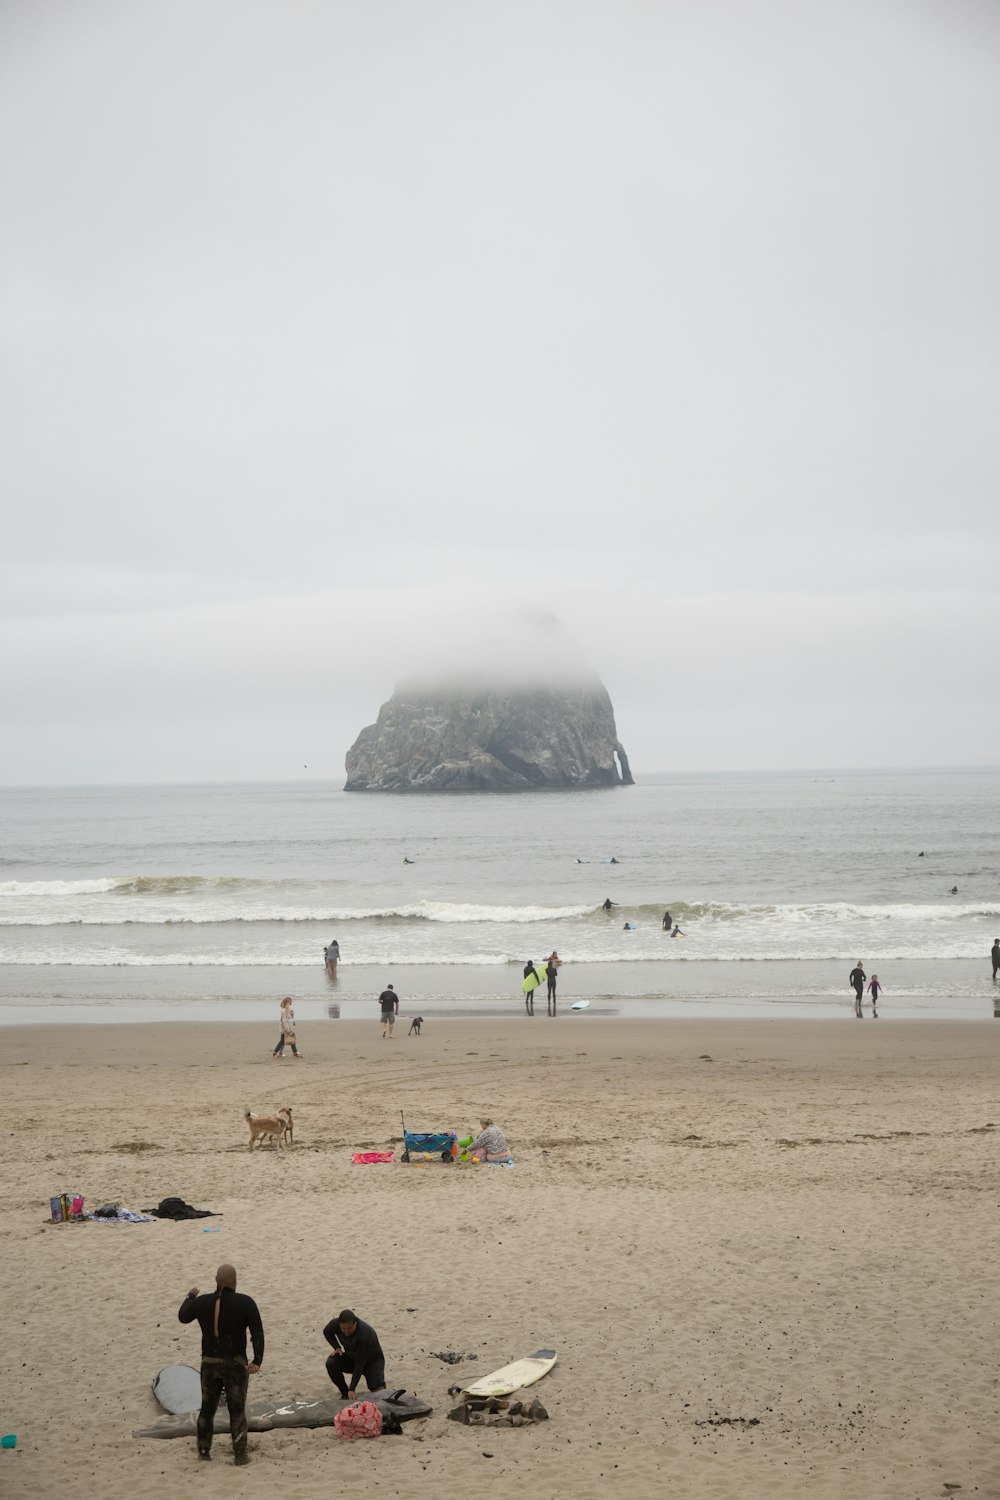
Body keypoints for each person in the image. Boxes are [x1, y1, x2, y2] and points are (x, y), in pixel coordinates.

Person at [178, 1263, 263, 1466]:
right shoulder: (246, 1302)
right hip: (235, 1364)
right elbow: (257, 1333)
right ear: (235, 1281)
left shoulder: (202, 1302)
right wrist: (257, 1360)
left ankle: (204, 1452)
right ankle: (240, 1456)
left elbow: (183, 1317)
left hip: (209, 1363)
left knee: (207, 1409)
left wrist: (190, 1296)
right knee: (237, 1410)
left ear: (216, 1280)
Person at [323, 1309, 386, 1400]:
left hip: (372, 1362)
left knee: (378, 1390)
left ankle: (378, 1384)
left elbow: (359, 1364)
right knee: (331, 1363)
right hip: (352, 1357)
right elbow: (326, 1332)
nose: (346, 1331)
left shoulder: (365, 1333)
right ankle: (345, 1394)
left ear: (355, 1323)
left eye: (349, 1328)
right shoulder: (335, 1324)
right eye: (343, 1329)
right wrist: (336, 1347)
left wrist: (352, 1389)